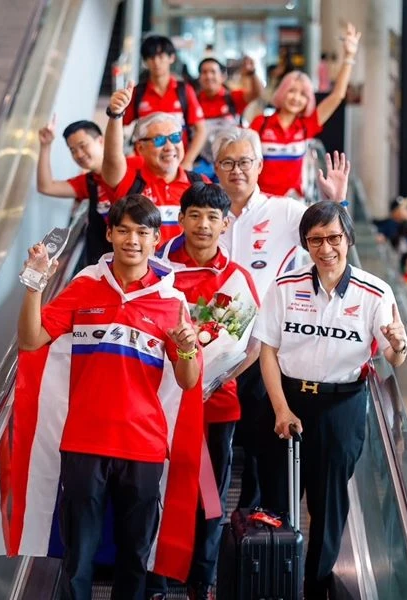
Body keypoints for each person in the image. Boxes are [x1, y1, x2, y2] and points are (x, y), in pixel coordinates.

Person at [12, 195, 203, 600]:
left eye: (142, 232)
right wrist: (33, 285)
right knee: (77, 558)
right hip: (84, 441)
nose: (132, 240)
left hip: (144, 446)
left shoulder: (171, 302)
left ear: (155, 239)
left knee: (134, 557)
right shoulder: (84, 286)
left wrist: (187, 348)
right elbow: (31, 340)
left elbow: (188, 382)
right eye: (124, 230)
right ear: (110, 234)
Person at [253, 201, 407, 598]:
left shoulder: (375, 292)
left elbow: (393, 356)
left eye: (334, 238)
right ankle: (275, 583)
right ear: (305, 243)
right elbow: (268, 350)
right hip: (287, 400)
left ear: (348, 238)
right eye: (315, 240)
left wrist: (399, 345)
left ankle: (315, 586)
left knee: (328, 507)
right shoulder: (284, 287)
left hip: (342, 407)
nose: (326, 248)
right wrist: (281, 408)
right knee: (276, 500)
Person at [211, 126, 349, 508]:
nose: (237, 170)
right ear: (215, 168)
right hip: (212, 348)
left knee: (263, 442)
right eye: (227, 163)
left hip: (264, 348)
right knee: (216, 439)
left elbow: (330, 238)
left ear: (259, 165)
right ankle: (213, 514)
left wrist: (337, 202)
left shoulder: (284, 211)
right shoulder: (208, 216)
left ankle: (256, 514)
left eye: (244, 161)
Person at [153, 183, 261, 599]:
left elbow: (252, 346)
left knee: (210, 496)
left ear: (225, 224)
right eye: (194, 215)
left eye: (213, 217)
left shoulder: (237, 278)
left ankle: (203, 577)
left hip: (217, 404)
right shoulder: (157, 271)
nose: (203, 224)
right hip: (160, 404)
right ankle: (158, 576)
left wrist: (214, 380)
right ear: (180, 219)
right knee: (160, 489)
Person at [248, 24, 361, 198]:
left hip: (294, 202)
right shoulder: (260, 123)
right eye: (291, 91)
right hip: (261, 201)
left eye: (303, 94)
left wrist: (349, 56)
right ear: (282, 92)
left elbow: (337, 96)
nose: (296, 98)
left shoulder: (306, 125)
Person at [104, 86, 210, 242]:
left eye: (175, 137)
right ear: (140, 148)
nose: (169, 146)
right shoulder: (128, 181)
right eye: (159, 140)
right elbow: (112, 158)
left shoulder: (200, 184)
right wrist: (116, 115)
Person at [36, 118, 139, 264]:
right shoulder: (89, 182)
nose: (79, 154)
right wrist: (45, 146)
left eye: (83, 146)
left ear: (101, 141)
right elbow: (46, 187)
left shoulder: (136, 167)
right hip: (108, 263)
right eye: (73, 150)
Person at [124, 35, 207, 170]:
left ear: (171, 58)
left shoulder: (184, 91)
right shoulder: (137, 93)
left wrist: (188, 161)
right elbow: (120, 125)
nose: (156, 62)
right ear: (145, 61)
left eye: (161, 56)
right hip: (144, 165)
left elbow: (201, 130)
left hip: (178, 163)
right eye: (151, 58)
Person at [194, 57, 264, 178]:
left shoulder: (232, 98)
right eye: (204, 72)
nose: (209, 76)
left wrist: (252, 73)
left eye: (213, 72)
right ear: (200, 78)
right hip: (203, 164)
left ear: (222, 76)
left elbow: (256, 93)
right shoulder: (193, 101)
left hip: (231, 163)